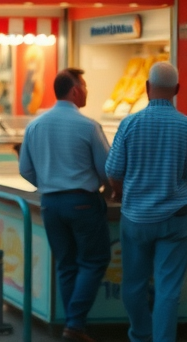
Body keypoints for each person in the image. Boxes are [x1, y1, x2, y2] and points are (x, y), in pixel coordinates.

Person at [19, 68, 110, 342]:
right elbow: (106, 169)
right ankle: (74, 324)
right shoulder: (88, 126)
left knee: (66, 264)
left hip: (50, 204)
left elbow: (25, 169)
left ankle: (75, 325)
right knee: (94, 261)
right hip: (82, 202)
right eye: (84, 86)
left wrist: (47, 183)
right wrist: (104, 187)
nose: (86, 91)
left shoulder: (36, 124)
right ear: (75, 91)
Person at [106, 62, 187, 342]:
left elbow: (113, 171)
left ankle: (140, 334)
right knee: (168, 289)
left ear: (147, 88)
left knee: (134, 284)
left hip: (136, 218)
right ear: (176, 90)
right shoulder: (186, 126)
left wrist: (121, 192)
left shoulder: (129, 124)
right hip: (176, 219)